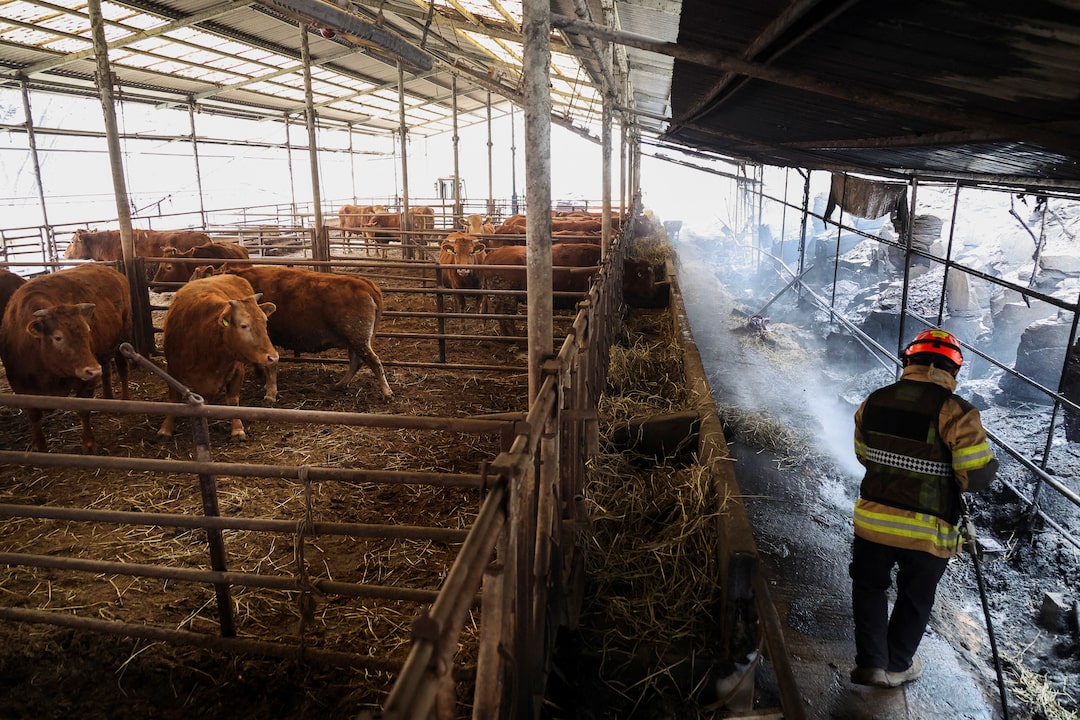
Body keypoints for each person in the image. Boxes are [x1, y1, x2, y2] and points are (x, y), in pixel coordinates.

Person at [849, 328, 999, 688]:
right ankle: (897, 665)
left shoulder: (875, 400)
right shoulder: (957, 412)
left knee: (869, 587)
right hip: (928, 531)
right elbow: (976, 477)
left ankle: (871, 663)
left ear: (909, 361)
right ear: (953, 370)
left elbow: (863, 455)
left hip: (873, 521)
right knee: (915, 596)